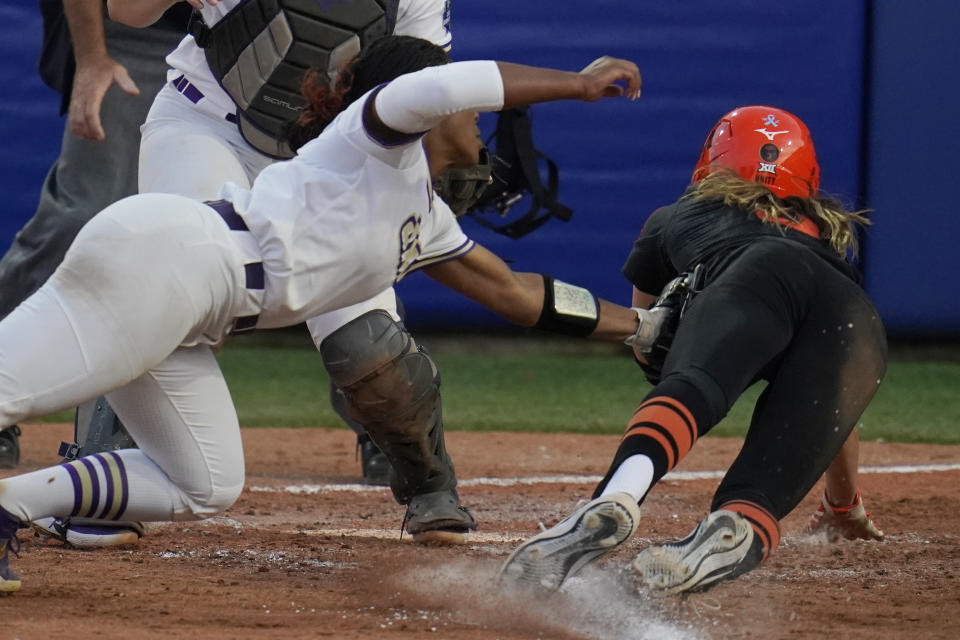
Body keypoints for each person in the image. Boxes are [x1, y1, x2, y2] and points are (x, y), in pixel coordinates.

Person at [0, 36, 654, 593]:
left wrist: (644, 329)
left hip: (192, 312)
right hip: (170, 262)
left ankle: (12, 506)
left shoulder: (423, 212)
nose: (479, 120)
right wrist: (577, 83)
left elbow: (517, 294)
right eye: (471, 110)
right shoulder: (376, 136)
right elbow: (451, 81)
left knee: (202, 481)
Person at [499, 105, 887, 595]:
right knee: (758, 493)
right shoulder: (824, 237)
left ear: (714, 158)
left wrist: (696, 362)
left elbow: (647, 340)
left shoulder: (676, 215)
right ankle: (738, 526)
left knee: (689, 391)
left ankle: (618, 496)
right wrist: (843, 505)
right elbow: (837, 416)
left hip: (759, 275)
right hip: (860, 323)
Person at [0, 0, 190, 541]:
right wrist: (92, 58)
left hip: (252, 45)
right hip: (126, 31)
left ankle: (396, 439)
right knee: (81, 218)